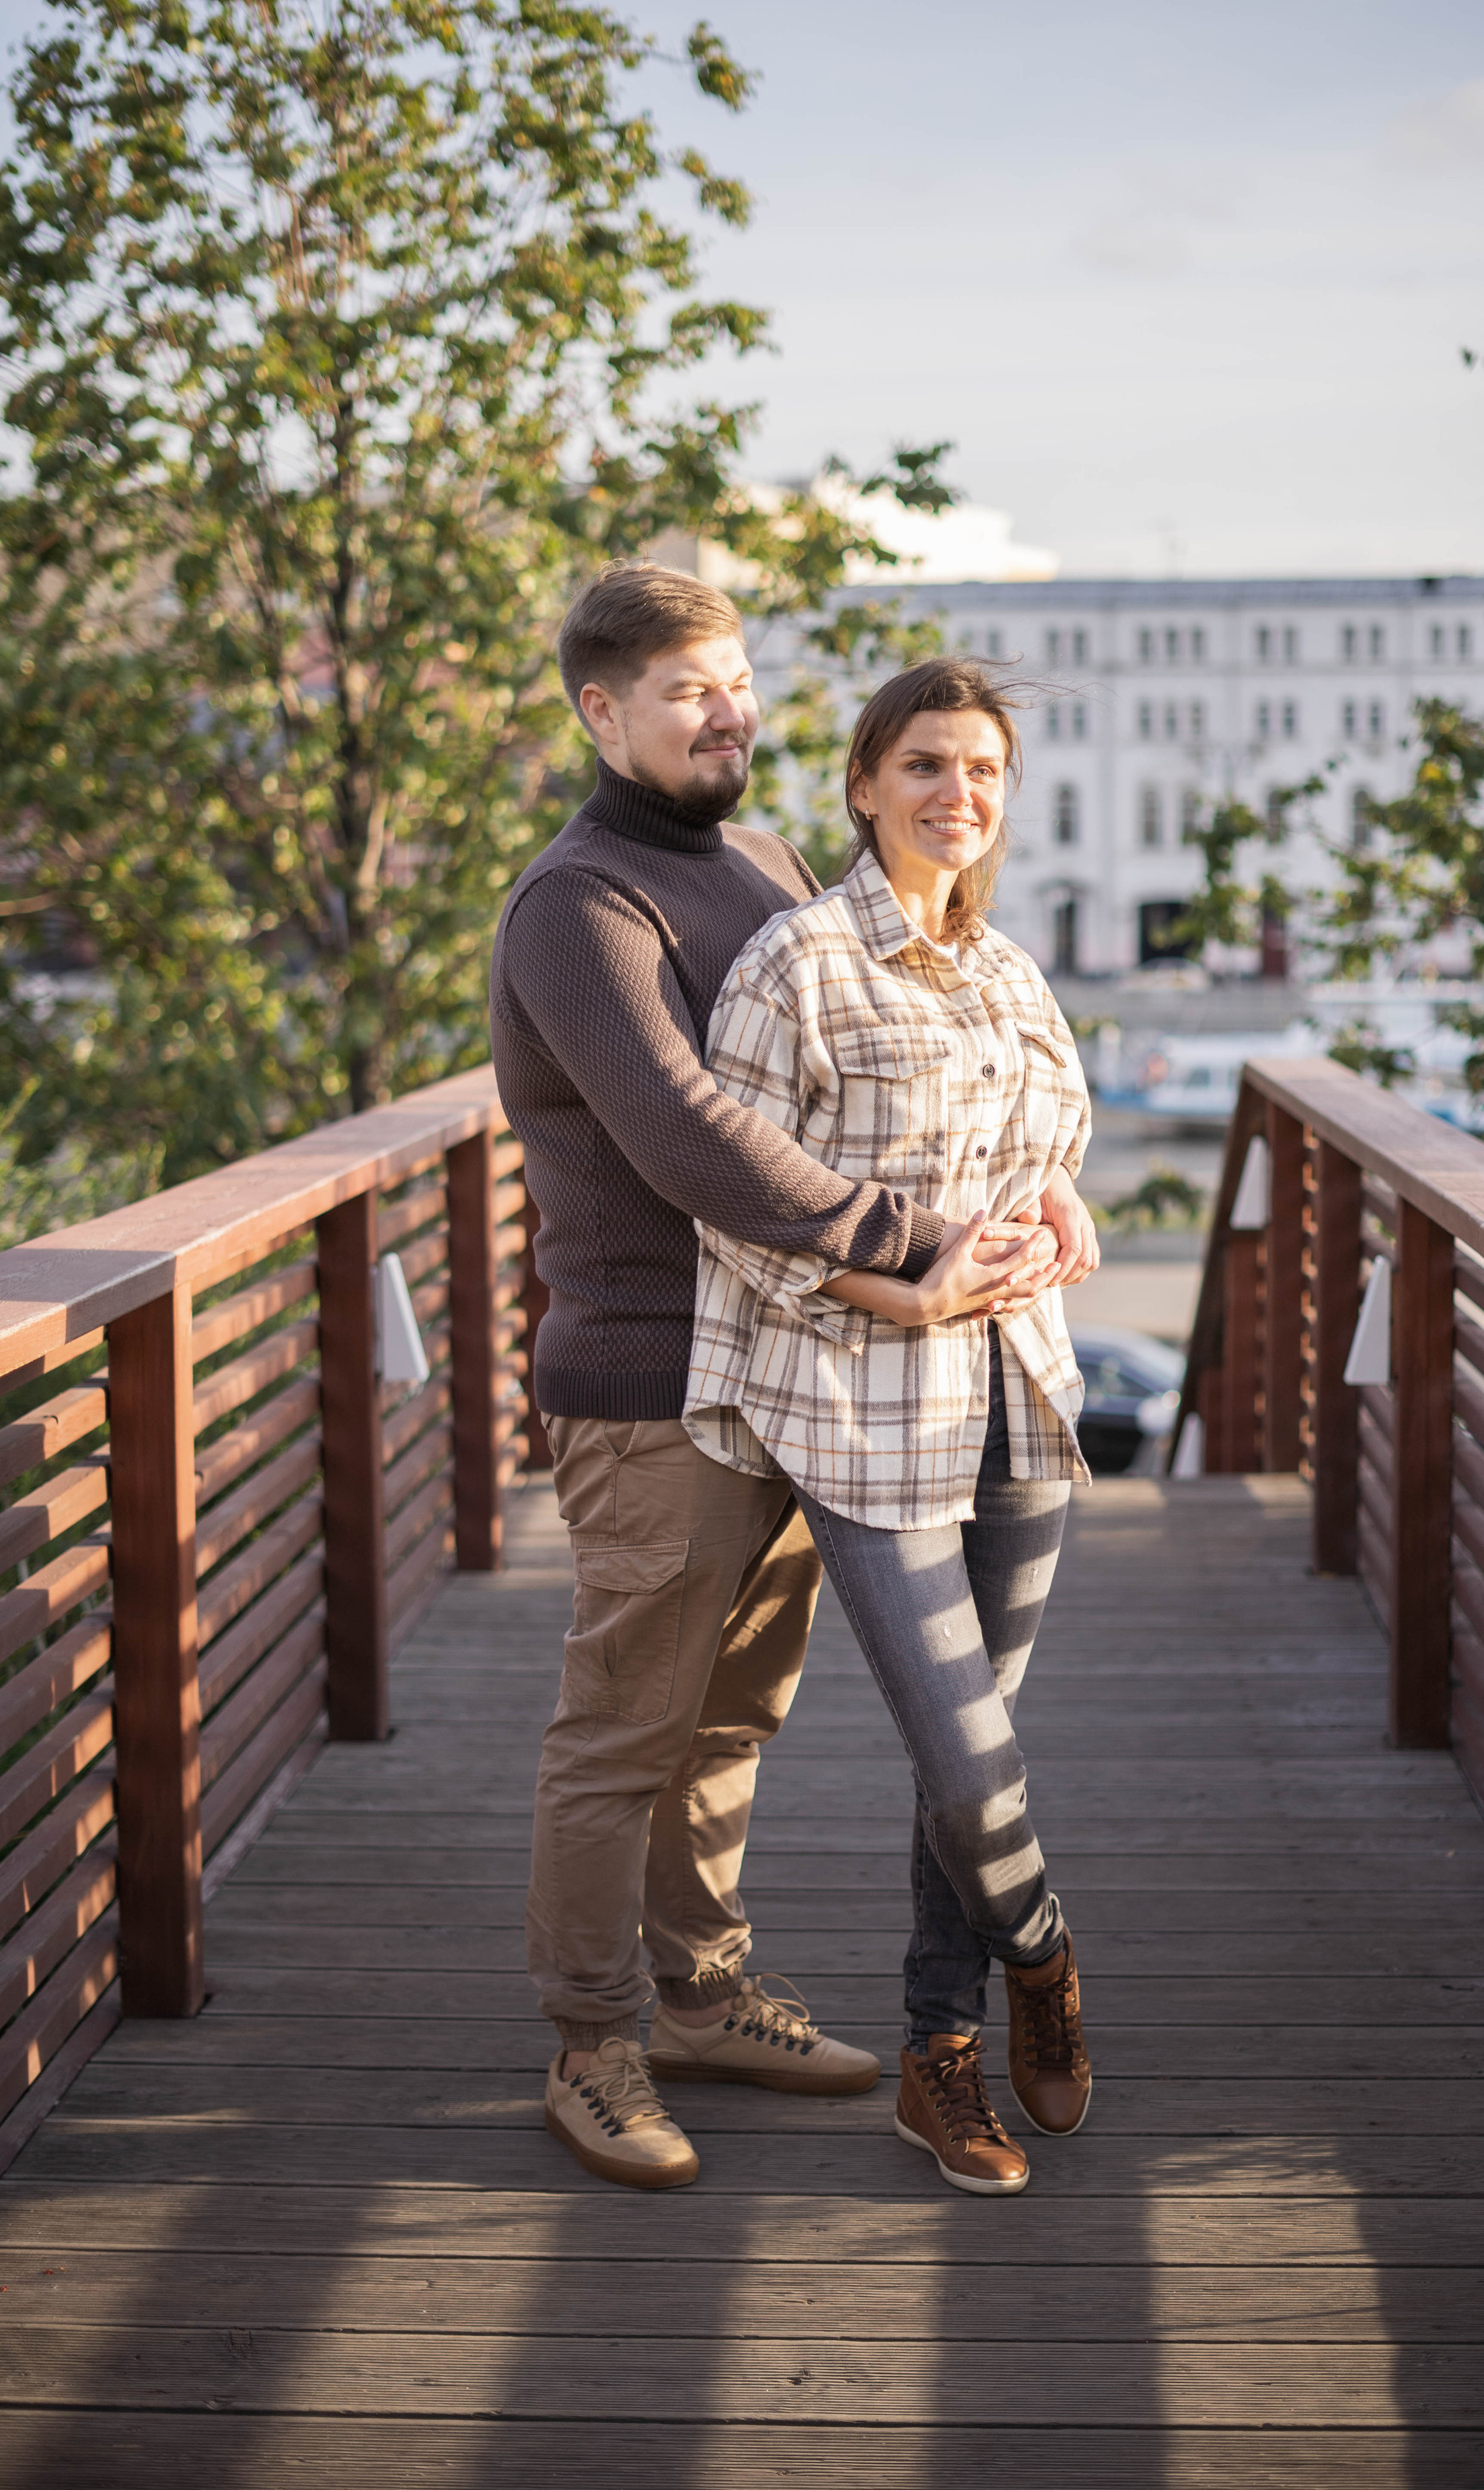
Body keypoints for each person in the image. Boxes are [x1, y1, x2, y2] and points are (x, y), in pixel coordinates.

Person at [490, 566, 1094, 2189]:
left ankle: (697, 1994)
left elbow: (888, 1037)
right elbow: (693, 1133)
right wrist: (917, 1238)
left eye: (738, 681)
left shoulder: (756, 864)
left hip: (797, 1367)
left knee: (732, 1714)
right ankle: (593, 2038)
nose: (727, 712)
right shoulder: (580, 903)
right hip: (651, 1376)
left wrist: (1036, 1182)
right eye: (687, 690)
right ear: (598, 709)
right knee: (625, 1725)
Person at [683, 654, 1097, 2196]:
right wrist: (893, 1292)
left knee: (968, 1753)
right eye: (924, 765)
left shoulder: (1003, 970)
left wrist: (1058, 1209)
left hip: (1019, 1397)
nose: (956, 794)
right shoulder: (796, 963)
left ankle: (939, 2055)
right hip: (862, 1414)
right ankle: (1043, 1961)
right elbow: (730, 1209)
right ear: (864, 786)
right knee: (966, 1755)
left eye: (980, 770)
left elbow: (1054, 1130)